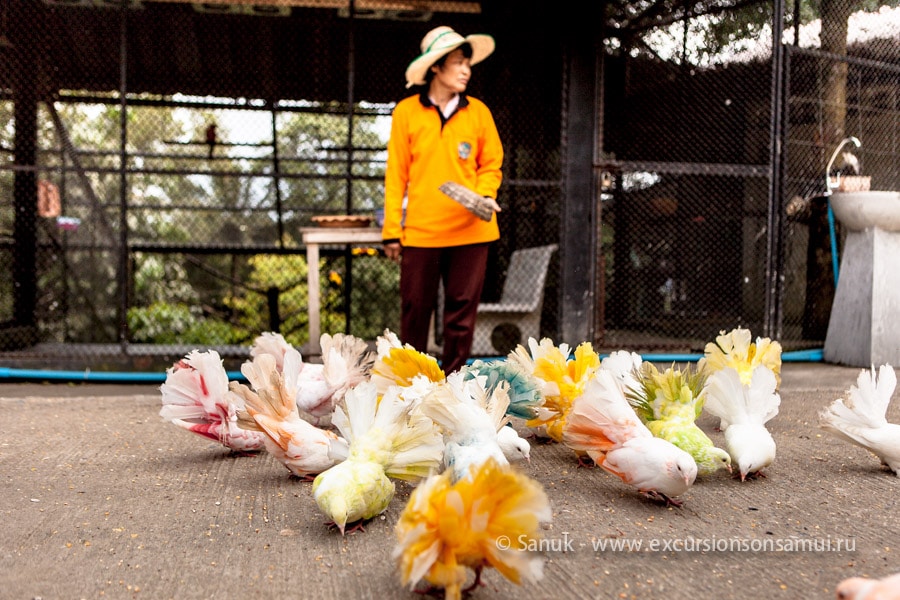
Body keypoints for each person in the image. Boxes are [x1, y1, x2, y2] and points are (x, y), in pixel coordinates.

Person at [381, 25, 503, 375]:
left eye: (468, 63)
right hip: (421, 231)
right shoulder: (406, 112)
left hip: (472, 231)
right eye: (457, 63)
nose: (466, 70)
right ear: (436, 67)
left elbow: (491, 163)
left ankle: (453, 384)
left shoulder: (478, 111)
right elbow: (396, 174)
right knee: (415, 310)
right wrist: (392, 230)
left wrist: (484, 194)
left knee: (462, 314)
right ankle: (410, 385)